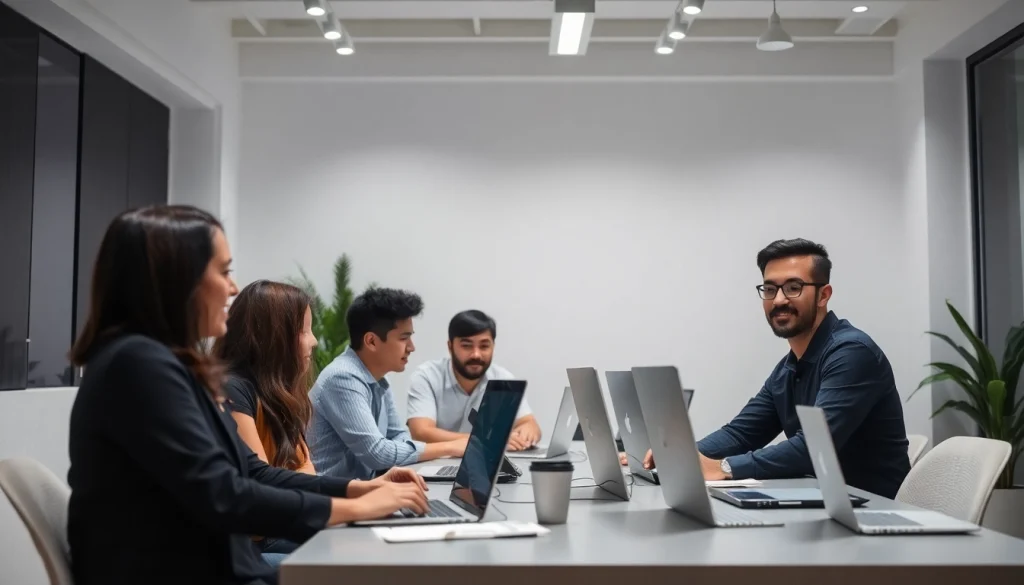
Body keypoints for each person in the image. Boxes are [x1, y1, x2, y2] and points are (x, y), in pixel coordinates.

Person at [66, 205, 429, 585]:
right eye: (223, 272)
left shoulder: (163, 364)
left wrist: (359, 488)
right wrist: (351, 506)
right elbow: (224, 496)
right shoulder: (138, 365)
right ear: (175, 280)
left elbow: (253, 472)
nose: (234, 288)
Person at [639, 238, 910, 499]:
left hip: (871, 513)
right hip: (821, 504)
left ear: (823, 295)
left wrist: (724, 468)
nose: (779, 300)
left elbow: (812, 448)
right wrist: (677, 456)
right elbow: (743, 433)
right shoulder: (790, 366)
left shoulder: (852, 353)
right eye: (769, 289)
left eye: (793, 287)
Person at [211, 280, 321, 566]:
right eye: (304, 330)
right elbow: (263, 492)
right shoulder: (233, 389)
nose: (314, 341)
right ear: (275, 338)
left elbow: (305, 470)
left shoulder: (275, 393)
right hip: (244, 545)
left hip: (272, 532)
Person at [308, 287, 466, 480]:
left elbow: (396, 435)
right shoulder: (342, 378)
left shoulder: (378, 376)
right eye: (404, 338)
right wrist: (451, 447)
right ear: (371, 341)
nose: (412, 347)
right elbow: (377, 454)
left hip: (365, 491)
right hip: (331, 501)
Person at [406, 310, 541, 450]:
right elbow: (421, 433)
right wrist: (488, 440)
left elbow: (528, 423)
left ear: (493, 346)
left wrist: (526, 433)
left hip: (485, 465)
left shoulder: (503, 379)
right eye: (466, 346)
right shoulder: (427, 376)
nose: (476, 354)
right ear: (450, 346)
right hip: (436, 464)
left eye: (484, 346)